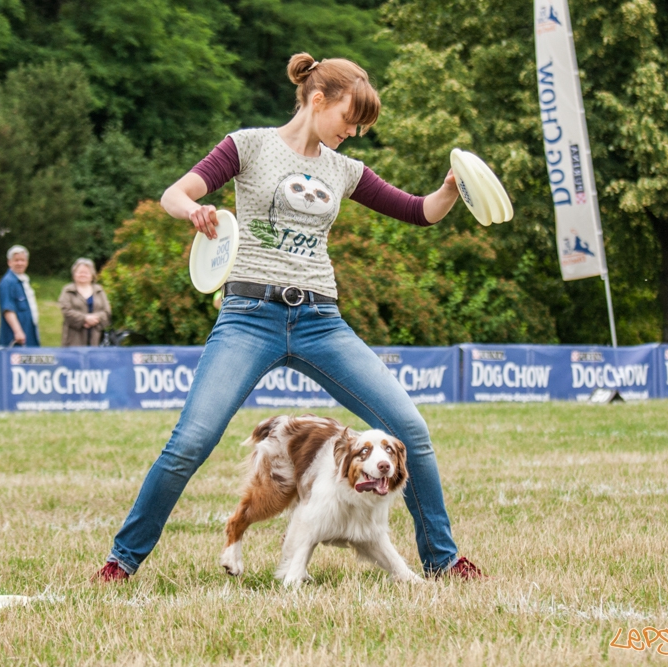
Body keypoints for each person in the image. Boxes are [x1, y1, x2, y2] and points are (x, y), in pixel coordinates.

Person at [94, 53, 484, 583]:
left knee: (409, 429)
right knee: (190, 442)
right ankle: (122, 561)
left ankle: (443, 561)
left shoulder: (345, 169)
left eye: (361, 125)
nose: (354, 131)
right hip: (248, 316)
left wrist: (450, 190)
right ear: (317, 99)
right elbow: (174, 193)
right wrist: (194, 210)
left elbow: (419, 211)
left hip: (321, 319)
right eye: (351, 118)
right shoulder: (248, 145)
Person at [59, 258, 112, 346]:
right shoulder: (68, 290)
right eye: (80, 272)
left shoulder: (99, 290)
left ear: (92, 275)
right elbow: (66, 311)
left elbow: (107, 311)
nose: (83, 274)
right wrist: (84, 319)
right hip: (73, 338)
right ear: (74, 274)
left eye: (86, 272)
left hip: (96, 337)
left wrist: (95, 319)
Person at [0, 245, 40, 347]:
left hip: (29, 332)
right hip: (16, 336)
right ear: (9, 262)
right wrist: (18, 331)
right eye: (16, 260)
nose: (20, 263)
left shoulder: (23, 281)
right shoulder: (7, 282)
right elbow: (8, 310)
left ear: (27, 262)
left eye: (22, 260)